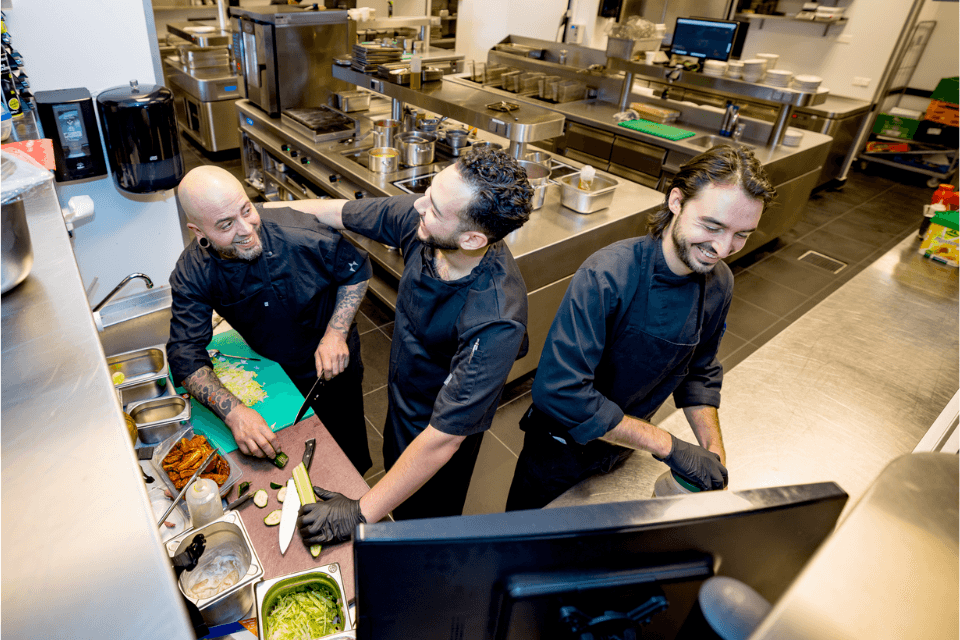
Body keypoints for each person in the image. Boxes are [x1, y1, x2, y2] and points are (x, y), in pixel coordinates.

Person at [505, 145, 777, 511]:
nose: (723, 248)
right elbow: (560, 392)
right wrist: (667, 444)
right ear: (676, 201)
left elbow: (700, 370)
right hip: (560, 453)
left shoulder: (719, 282)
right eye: (712, 226)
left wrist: (713, 451)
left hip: (624, 448)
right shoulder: (608, 275)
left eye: (742, 234)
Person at [291, 147, 533, 544]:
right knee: (396, 477)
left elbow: (443, 439)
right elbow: (339, 212)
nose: (419, 205)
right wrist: (257, 214)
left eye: (435, 208)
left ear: (472, 238)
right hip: (404, 399)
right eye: (427, 193)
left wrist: (360, 511)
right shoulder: (428, 224)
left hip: (441, 437)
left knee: (422, 527)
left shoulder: (495, 318)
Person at [166, 166, 374, 473]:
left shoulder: (303, 234)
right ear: (199, 232)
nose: (246, 229)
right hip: (270, 371)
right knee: (289, 459)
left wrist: (336, 332)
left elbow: (356, 272)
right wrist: (235, 412)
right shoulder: (192, 271)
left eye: (246, 210)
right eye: (226, 225)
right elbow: (185, 352)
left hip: (330, 363)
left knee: (346, 454)